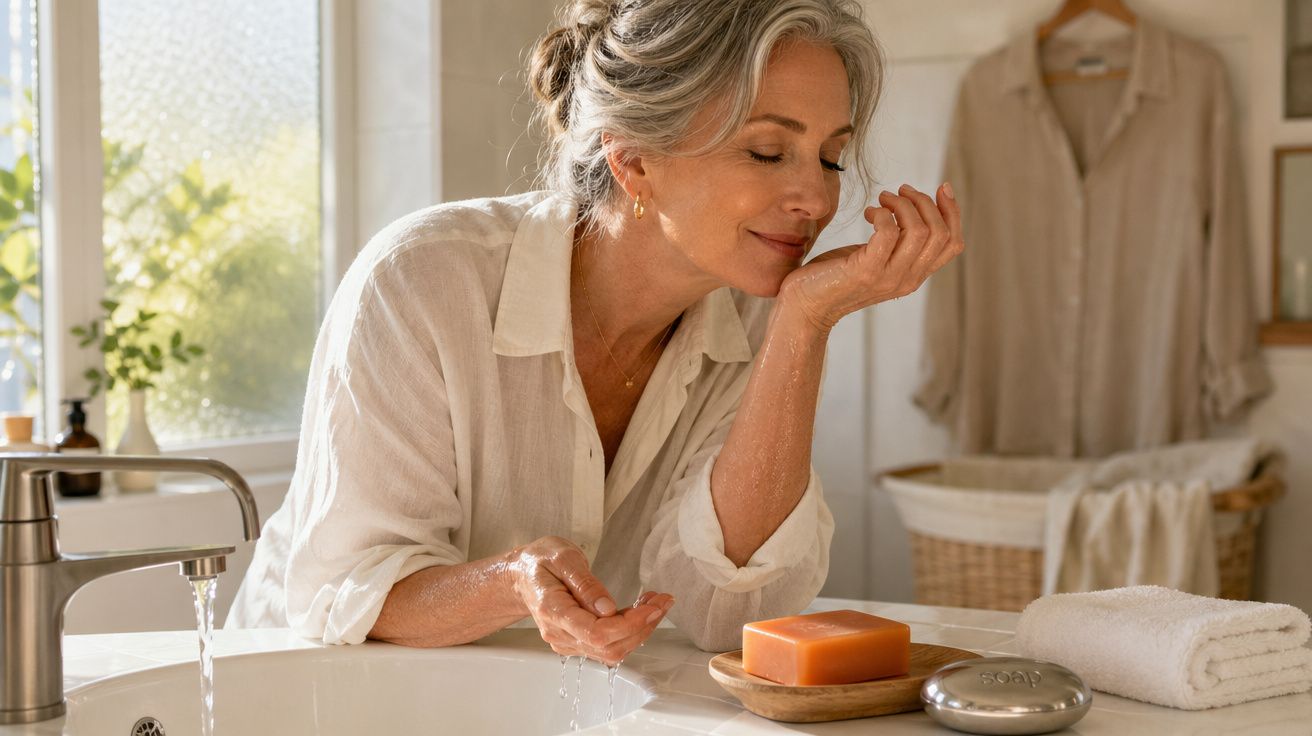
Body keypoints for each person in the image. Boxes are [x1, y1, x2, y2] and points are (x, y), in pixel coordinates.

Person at [228, 0, 963, 664]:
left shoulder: (760, 314)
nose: (817, 198)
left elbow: (728, 613)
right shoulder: (425, 280)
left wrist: (805, 322)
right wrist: (514, 582)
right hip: (298, 690)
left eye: (831, 157)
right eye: (767, 152)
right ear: (634, 160)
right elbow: (347, 592)